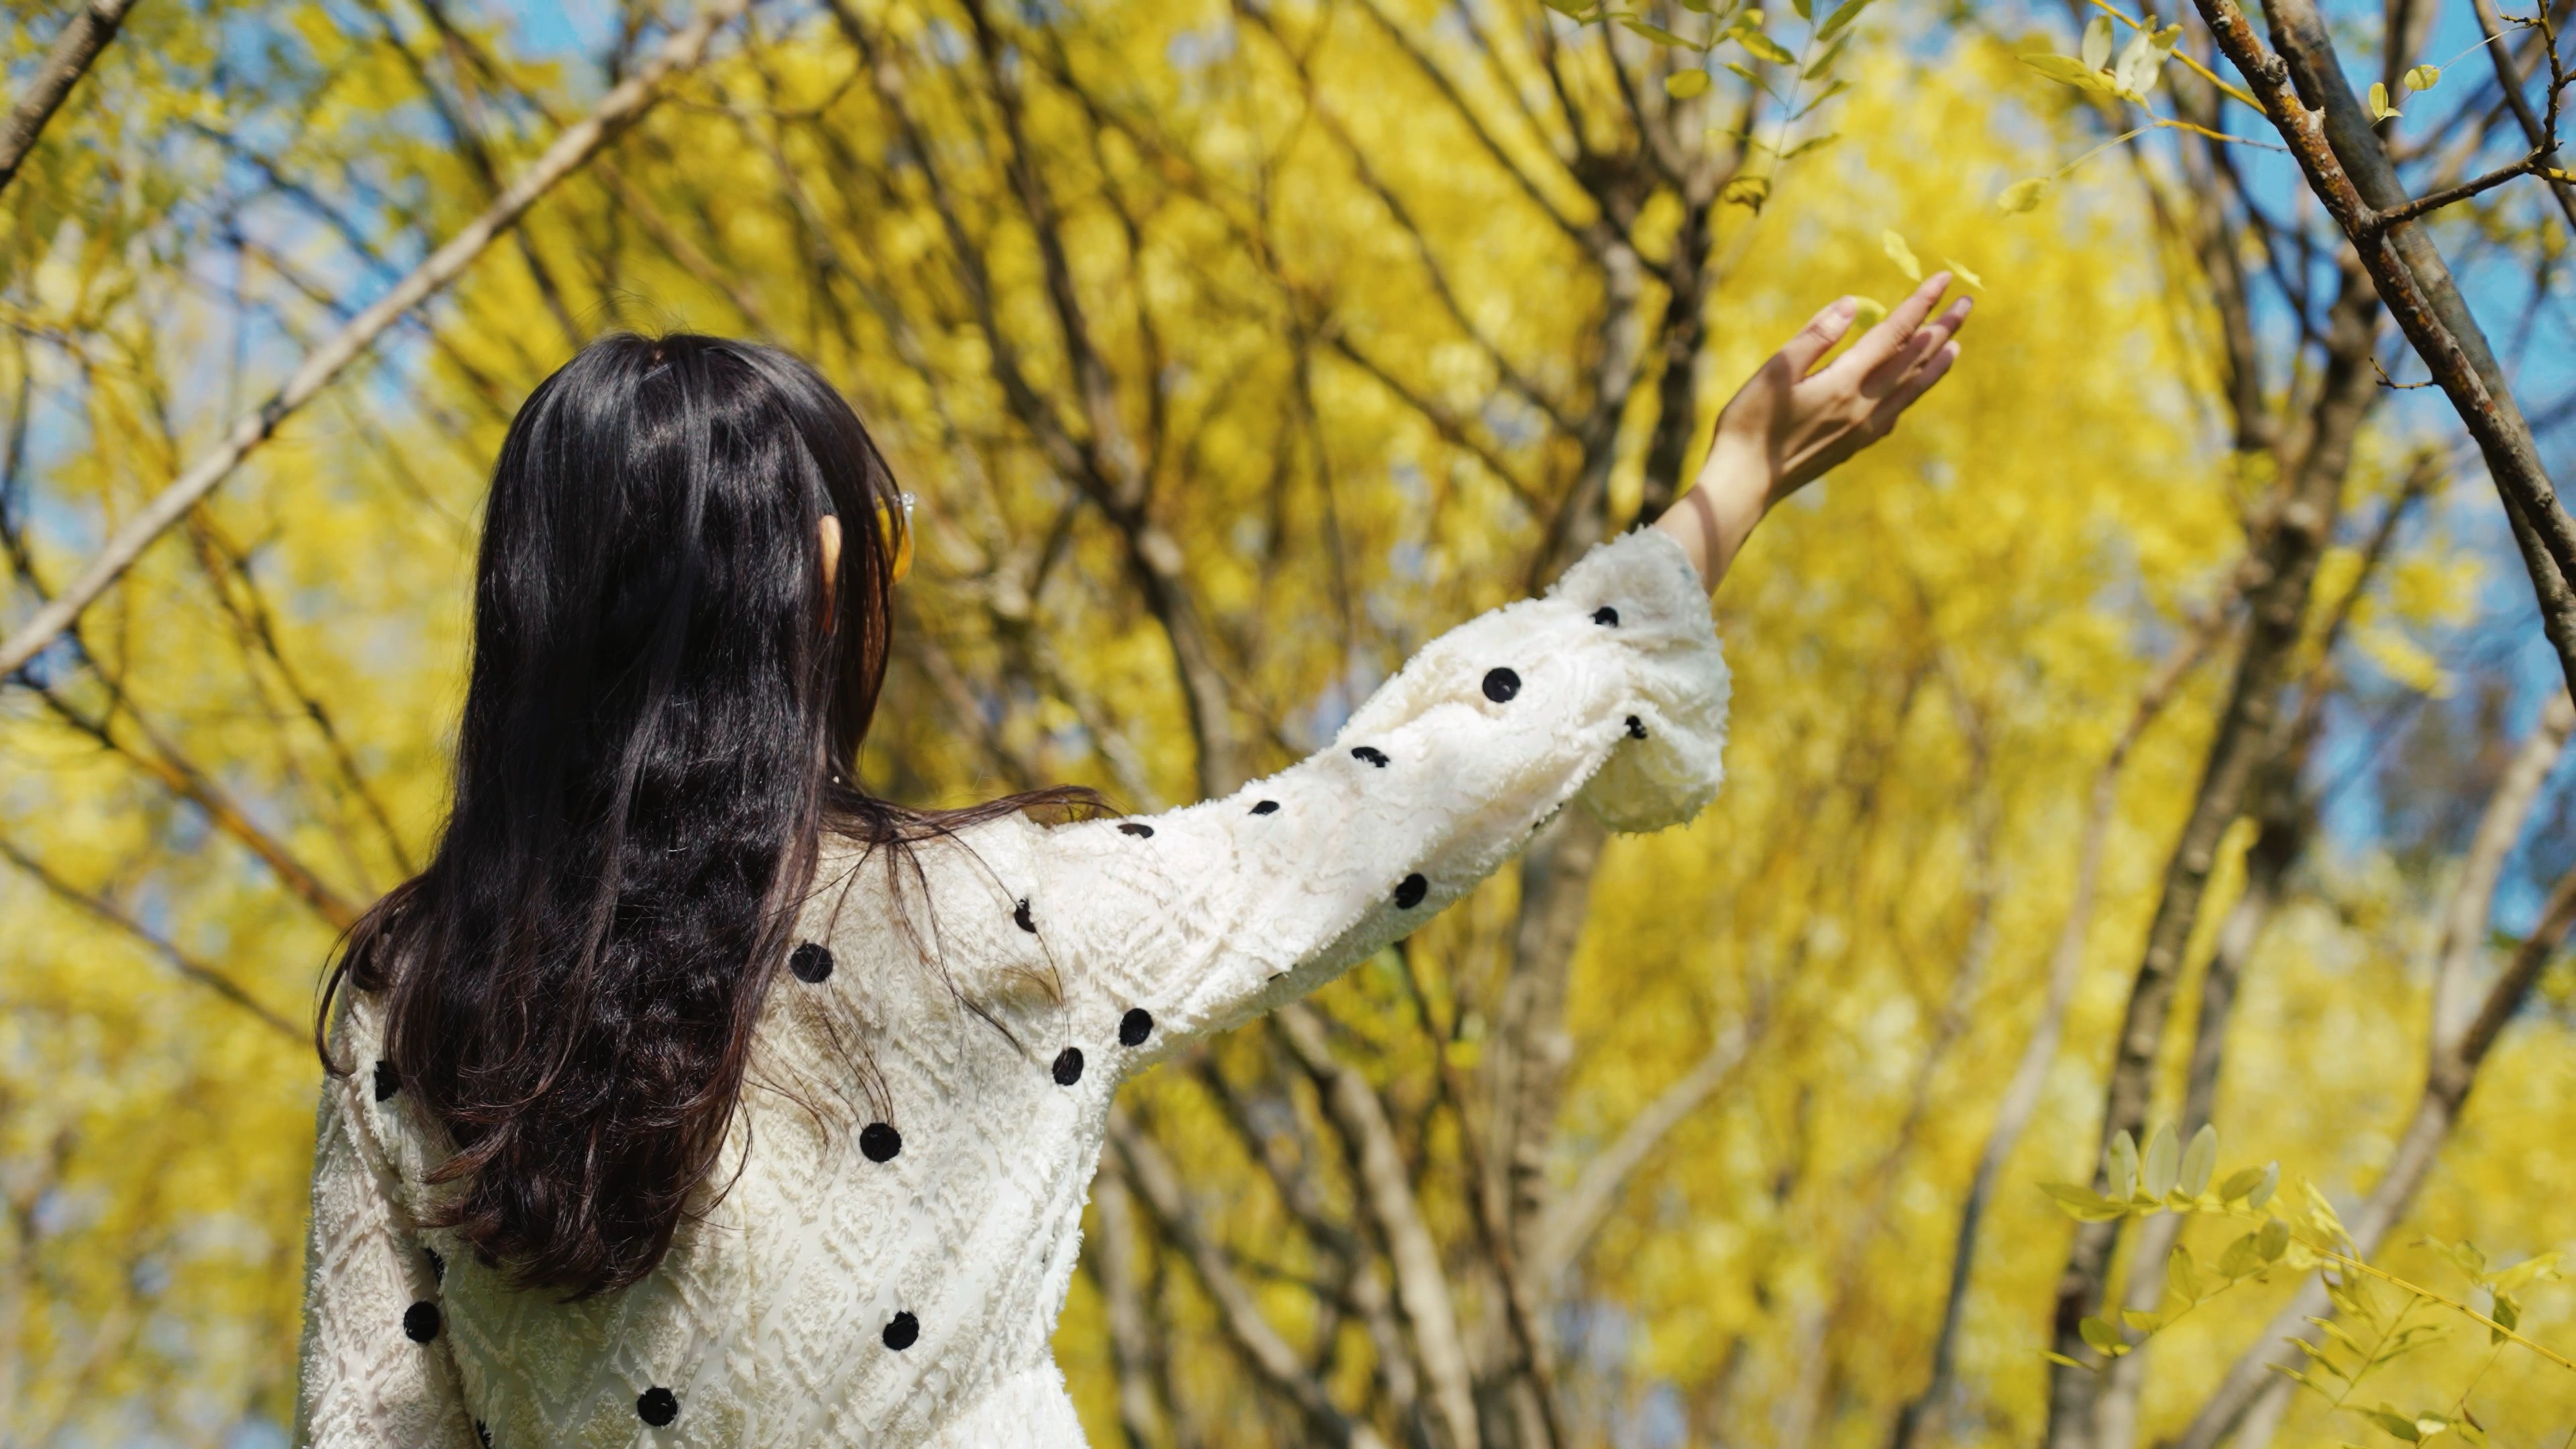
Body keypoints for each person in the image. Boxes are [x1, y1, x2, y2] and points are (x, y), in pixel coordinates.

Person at [294, 275, 1969, 1446]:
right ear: (812, 583)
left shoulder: (416, 1010)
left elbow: (369, 1424)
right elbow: (1387, 809)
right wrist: (1722, 499)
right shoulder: (989, 924)